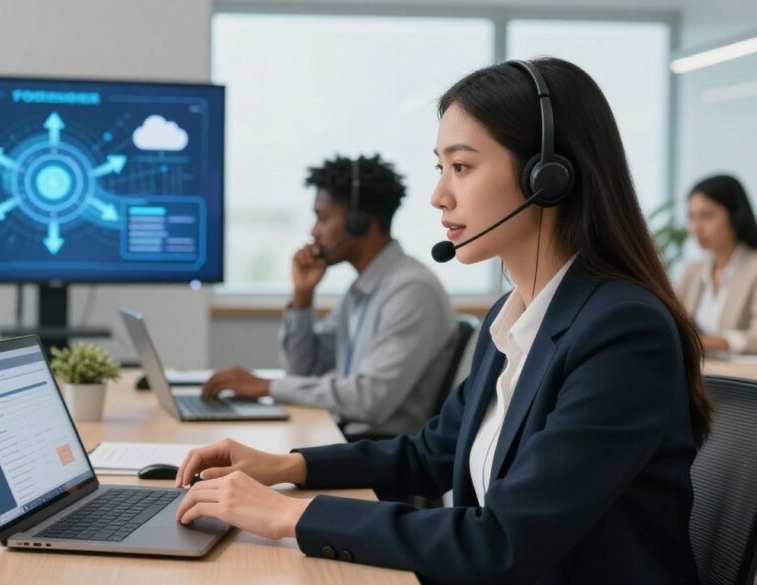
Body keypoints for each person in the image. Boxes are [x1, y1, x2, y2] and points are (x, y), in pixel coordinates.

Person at [174, 58, 710, 585]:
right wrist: (285, 466)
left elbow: (503, 541)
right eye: (440, 168)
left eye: (462, 167)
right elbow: (430, 454)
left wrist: (289, 516)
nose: (438, 195)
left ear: (548, 177)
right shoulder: (512, 315)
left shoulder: (622, 332)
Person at [202, 155, 456, 438]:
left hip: (379, 453)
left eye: (322, 218)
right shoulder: (365, 288)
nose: (314, 231)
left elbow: (368, 399)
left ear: (360, 222)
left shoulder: (411, 290)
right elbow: (303, 371)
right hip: (347, 437)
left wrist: (267, 386)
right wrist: (302, 296)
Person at [676, 174, 757, 354]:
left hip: (741, 377)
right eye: (691, 217)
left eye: (706, 216)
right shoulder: (693, 271)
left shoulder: (754, 267)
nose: (696, 228)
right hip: (700, 373)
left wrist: (708, 343)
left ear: (735, 215)